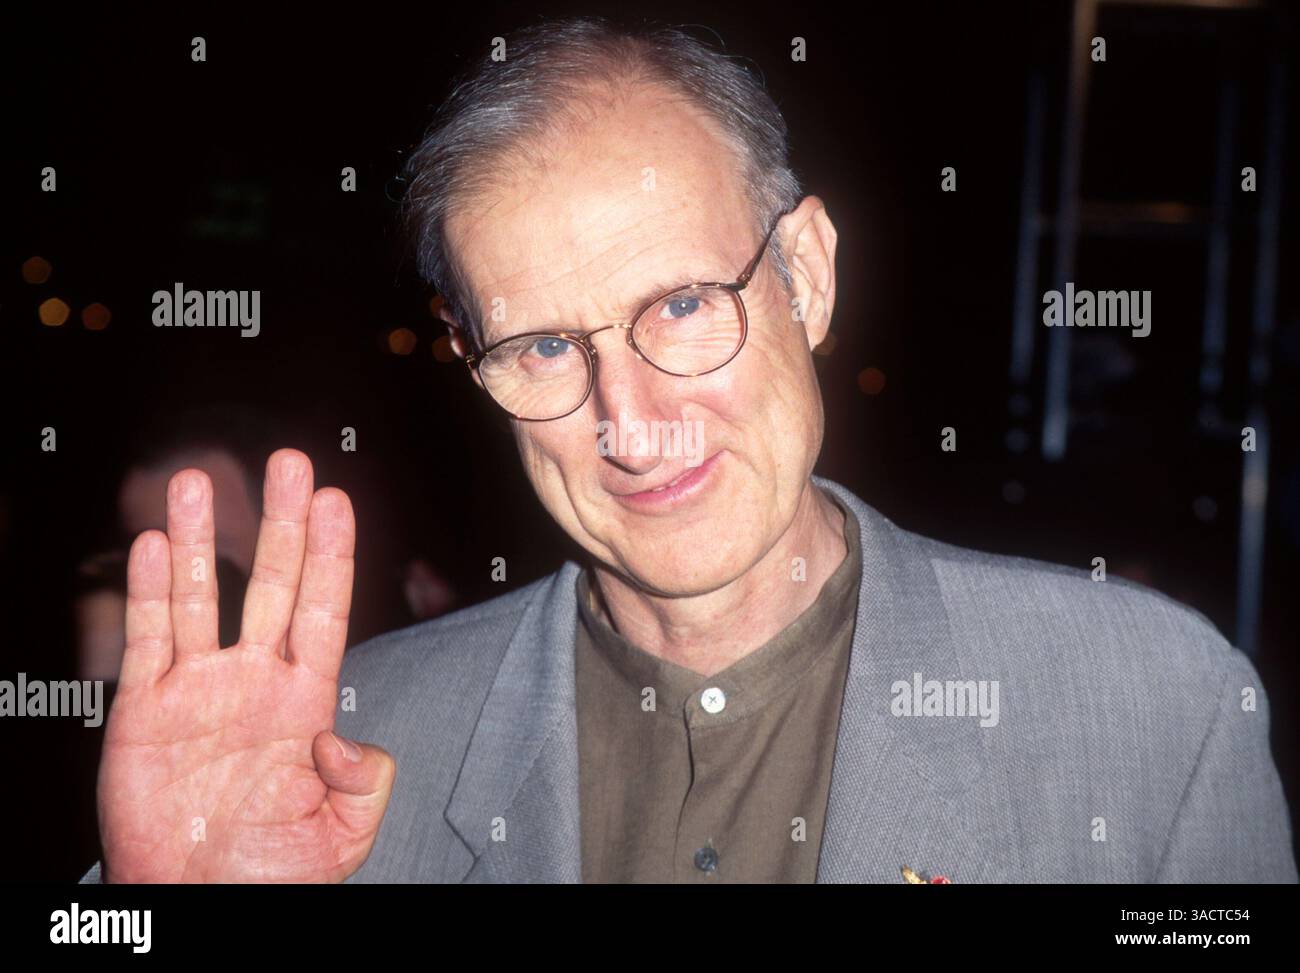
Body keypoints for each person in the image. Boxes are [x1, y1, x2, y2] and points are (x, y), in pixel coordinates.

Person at [81, 16, 1295, 884]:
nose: (632, 417)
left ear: (807, 276)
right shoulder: (337, 747)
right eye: (549, 345)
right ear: (473, 359)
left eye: (680, 306)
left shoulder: (1151, 712)